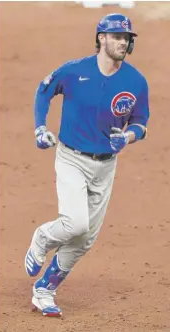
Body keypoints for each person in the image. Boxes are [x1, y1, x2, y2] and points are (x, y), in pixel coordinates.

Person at [25, 13, 149, 317]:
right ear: (102, 38)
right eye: (117, 37)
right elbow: (44, 91)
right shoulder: (74, 71)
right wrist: (40, 128)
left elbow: (141, 122)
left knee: (85, 240)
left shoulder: (135, 81)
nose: (123, 42)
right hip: (71, 158)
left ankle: (45, 290)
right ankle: (42, 237)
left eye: (127, 38)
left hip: (106, 167)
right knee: (75, 223)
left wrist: (129, 137)